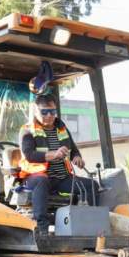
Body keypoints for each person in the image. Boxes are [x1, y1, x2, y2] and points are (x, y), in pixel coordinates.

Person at [19, 94, 98, 229]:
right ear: (35, 111)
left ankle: (86, 225)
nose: (49, 115)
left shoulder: (62, 128)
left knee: (92, 185)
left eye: (52, 112)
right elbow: (30, 155)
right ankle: (41, 227)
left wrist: (77, 157)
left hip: (62, 178)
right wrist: (54, 154)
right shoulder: (27, 130)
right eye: (44, 112)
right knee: (42, 181)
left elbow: (73, 149)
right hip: (35, 178)